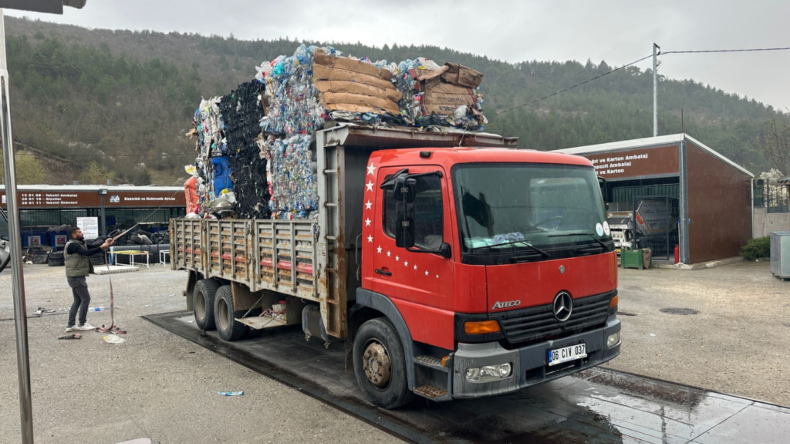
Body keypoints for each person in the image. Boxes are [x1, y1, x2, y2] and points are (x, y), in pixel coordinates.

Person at [64, 227, 113, 332]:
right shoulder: (73, 245)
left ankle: (71, 325)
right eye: (79, 232)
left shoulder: (79, 244)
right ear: (74, 235)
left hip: (76, 276)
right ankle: (82, 323)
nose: (81, 233)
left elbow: (93, 246)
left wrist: (105, 243)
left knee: (77, 300)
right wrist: (101, 248)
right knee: (86, 299)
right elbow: (86, 252)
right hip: (76, 277)